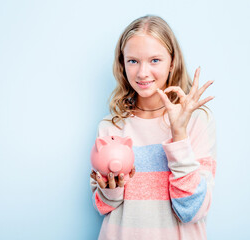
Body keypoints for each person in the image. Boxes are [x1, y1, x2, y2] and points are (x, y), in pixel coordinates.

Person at [90, 15, 217, 240]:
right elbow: (102, 205)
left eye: (155, 60)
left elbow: (192, 210)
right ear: (122, 64)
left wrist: (179, 136)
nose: (142, 73)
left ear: (173, 62)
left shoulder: (196, 121)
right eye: (133, 61)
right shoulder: (111, 127)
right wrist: (111, 188)